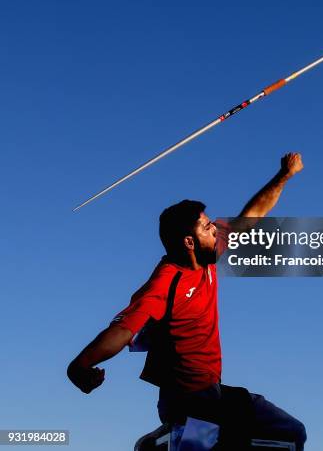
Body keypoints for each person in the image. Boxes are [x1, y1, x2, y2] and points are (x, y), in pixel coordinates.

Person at [67, 152, 307, 450]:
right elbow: (123, 330)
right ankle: (161, 442)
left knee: (291, 432)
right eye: (207, 227)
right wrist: (81, 365)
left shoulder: (208, 255)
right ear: (188, 242)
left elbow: (251, 217)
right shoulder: (166, 281)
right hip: (185, 399)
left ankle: (172, 439)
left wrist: (285, 174)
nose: (215, 230)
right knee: (207, 440)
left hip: (213, 390)